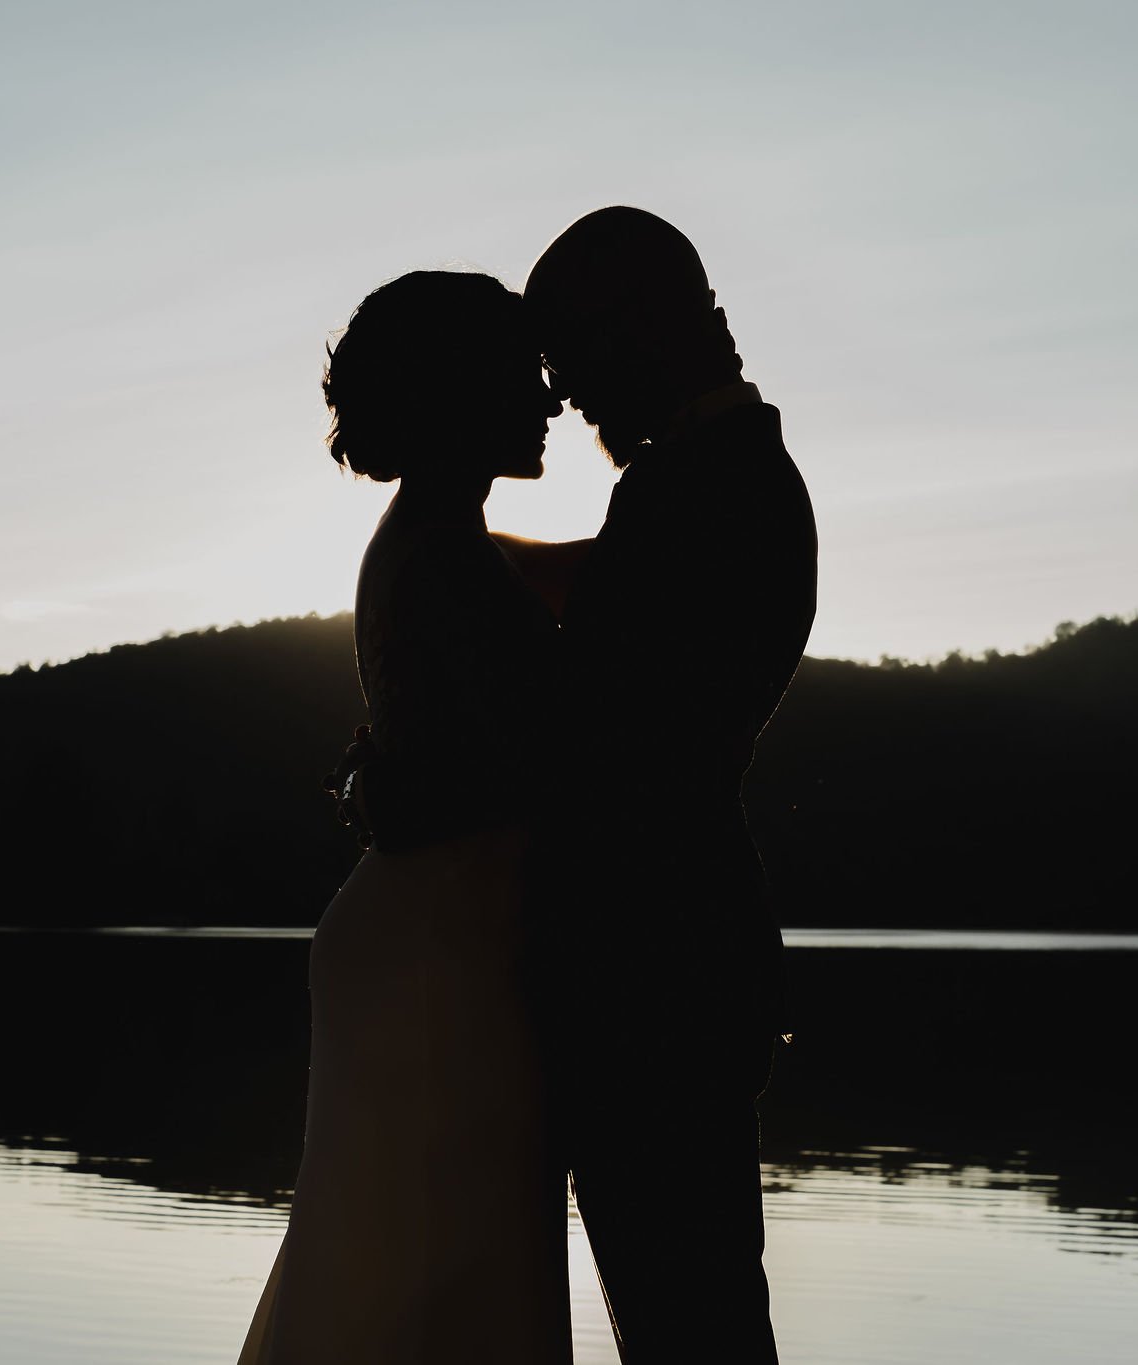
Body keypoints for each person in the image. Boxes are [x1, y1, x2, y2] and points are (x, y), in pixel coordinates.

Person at [339, 207, 817, 1362]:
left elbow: (597, 750)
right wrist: (434, 552)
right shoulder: (698, 481)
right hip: (636, 979)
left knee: (691, 1327)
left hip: (655, 982)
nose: (562, 391)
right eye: (537, 365)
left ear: (653, 326)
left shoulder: (710, 491)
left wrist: (400, 789)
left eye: (572, 354)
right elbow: (561, 629)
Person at [238, 269, 574, 1365]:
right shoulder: (438, 556)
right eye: (525, 377)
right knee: (434, 1277)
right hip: (444, 956)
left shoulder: (439, 542)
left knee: (418, 1272)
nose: (552, 401)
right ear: (459, 390)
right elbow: (490, 779)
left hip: (430, 939)